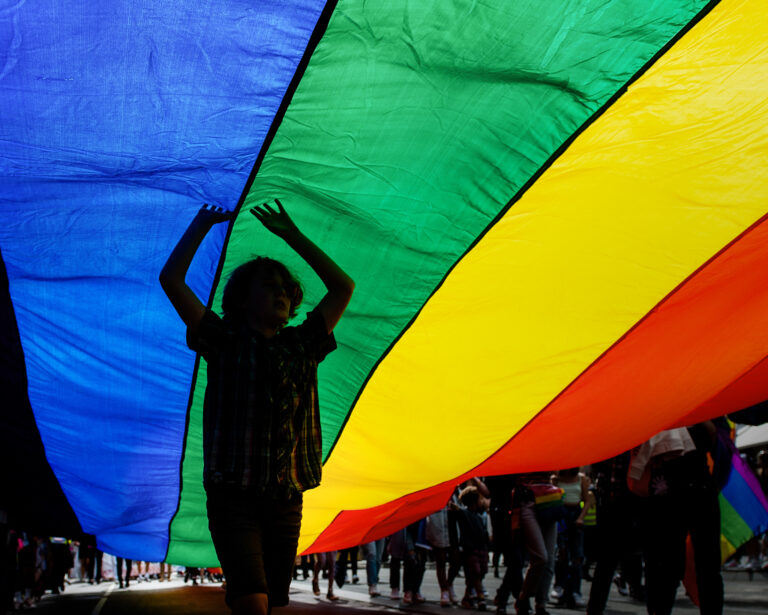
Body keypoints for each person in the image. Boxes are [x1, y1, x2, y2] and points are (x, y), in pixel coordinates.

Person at [159, 200, 354, 615]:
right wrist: (201, 224)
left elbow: (343, 287)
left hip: (286, 498)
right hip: (233, 495)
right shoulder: (223, 340)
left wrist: (293, 235)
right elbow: (172, 280)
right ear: (243, 301)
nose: (281, 291)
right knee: (252, 602)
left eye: (285, 286)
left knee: (270, 601)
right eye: (269, 285)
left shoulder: (303, 344)